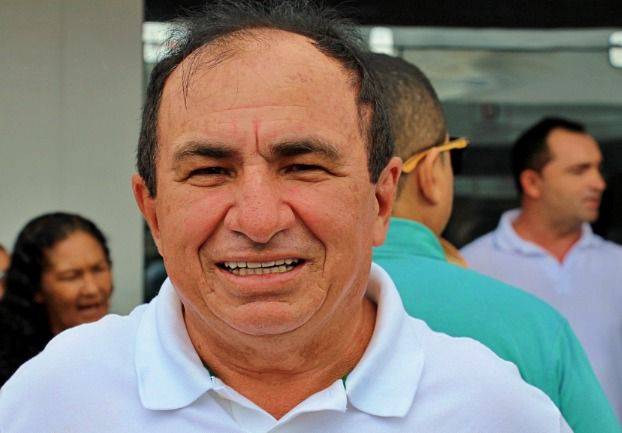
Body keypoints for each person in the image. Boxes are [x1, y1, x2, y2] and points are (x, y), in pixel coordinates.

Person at [1, 2, 571, 431]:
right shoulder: (53, 401)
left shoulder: (495, 411)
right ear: (152, 211)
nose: (257, 220)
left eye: (302, 166)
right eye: (210, 171)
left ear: (380, 200)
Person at [369, 53, 620, 432]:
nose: (598, 183)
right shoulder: (535, 326)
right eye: (453, 156)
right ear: (431, 173)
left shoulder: (285, 312)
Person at [462, 117, 622, 421]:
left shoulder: (618, 265)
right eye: (579, 170)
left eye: (598, 168)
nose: (599, 183)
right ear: (532, 183)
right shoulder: (470, 267)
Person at [0, 212, 113, 386]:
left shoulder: (133, 349)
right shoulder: (17, 377)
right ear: (36, 287)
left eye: (98, 269)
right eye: (71, 276)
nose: (92, 289)